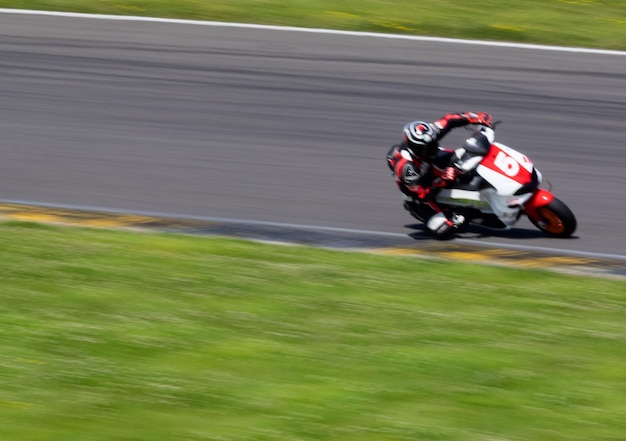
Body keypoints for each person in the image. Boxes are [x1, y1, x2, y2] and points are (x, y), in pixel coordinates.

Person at [386, 111, 494, 239]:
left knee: (465, 161)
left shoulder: (430, 134)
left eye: (432, 143)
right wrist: (443, 179)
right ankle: (455, 215)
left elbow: (449, 120)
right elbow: (423, 195)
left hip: (428, 166)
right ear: (414, 147)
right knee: (444, 230)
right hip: (418, 197)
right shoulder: (406, 168)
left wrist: (475, 118)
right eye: (426, 147)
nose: (430, 148)